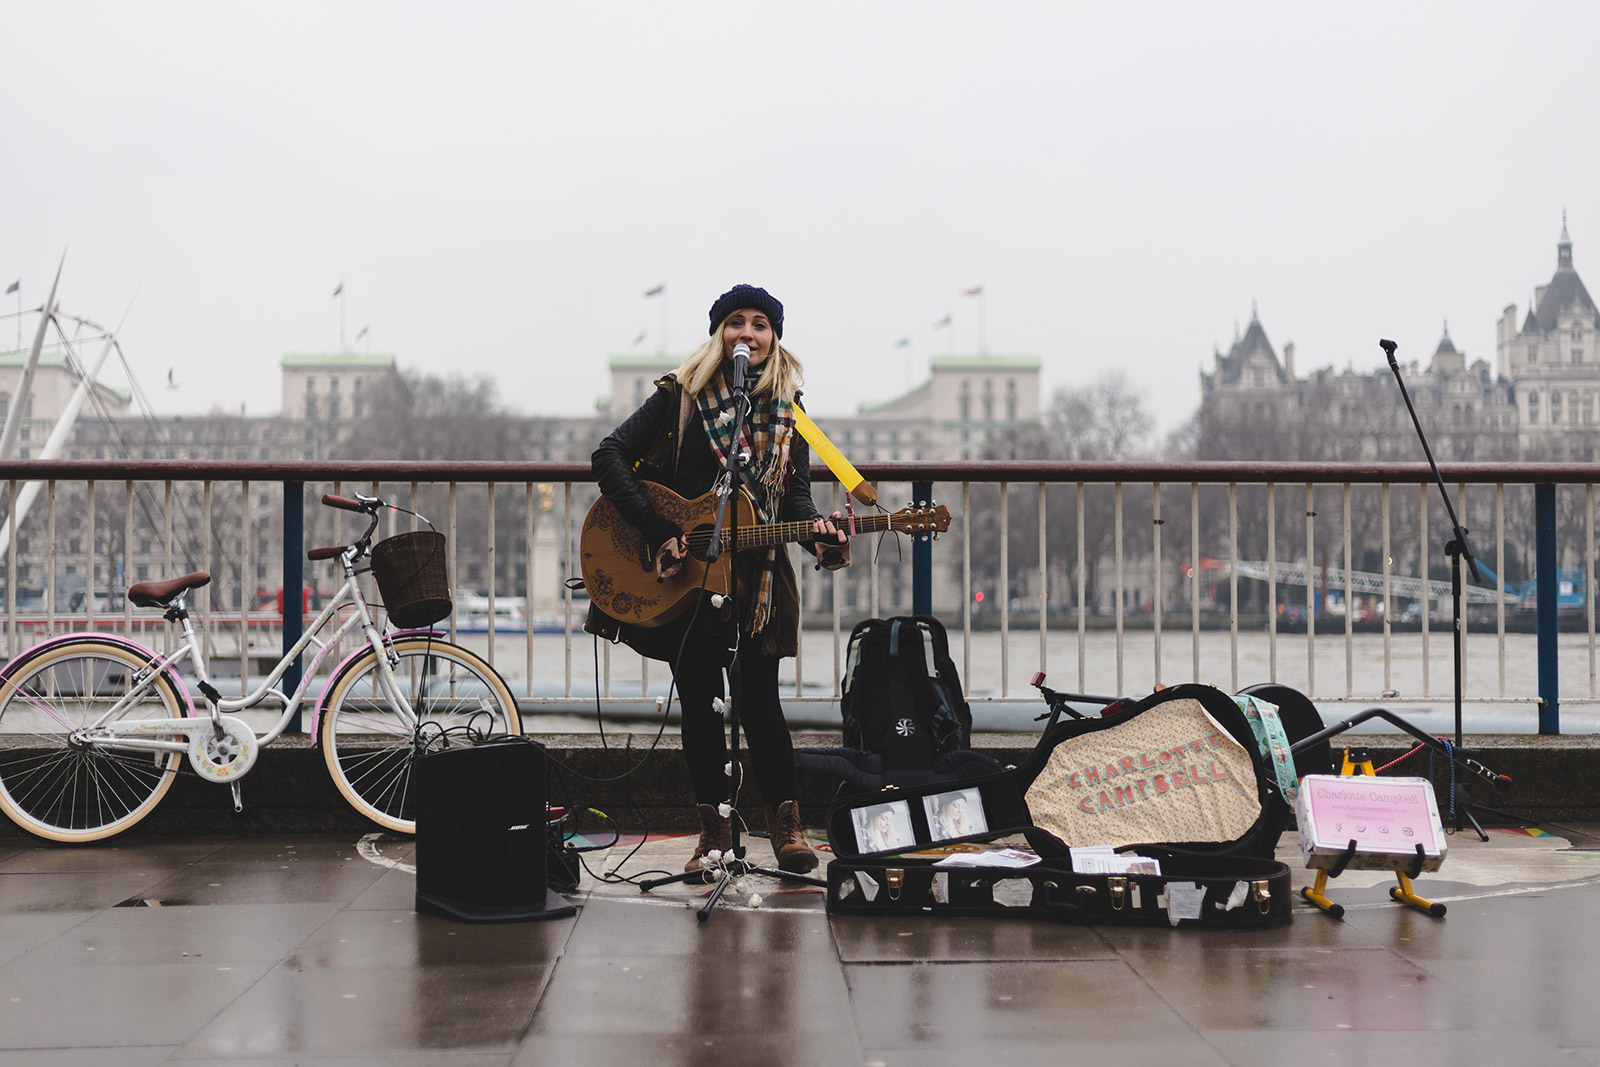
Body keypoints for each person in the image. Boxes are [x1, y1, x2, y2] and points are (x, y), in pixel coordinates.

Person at [588, 284, 850, 875]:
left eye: (761, 324)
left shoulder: (790, 410)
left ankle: (785, 829)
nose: (748, 334)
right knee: (701, 706)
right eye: (737, 323)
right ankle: (714, 833)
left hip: (756, 578)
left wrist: (819, 534)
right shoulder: (679, 397)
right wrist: (659, 529)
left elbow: (796, 502)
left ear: (774, 338)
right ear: (719, 335)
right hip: (687, 578)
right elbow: (608, 456)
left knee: (760, 702)